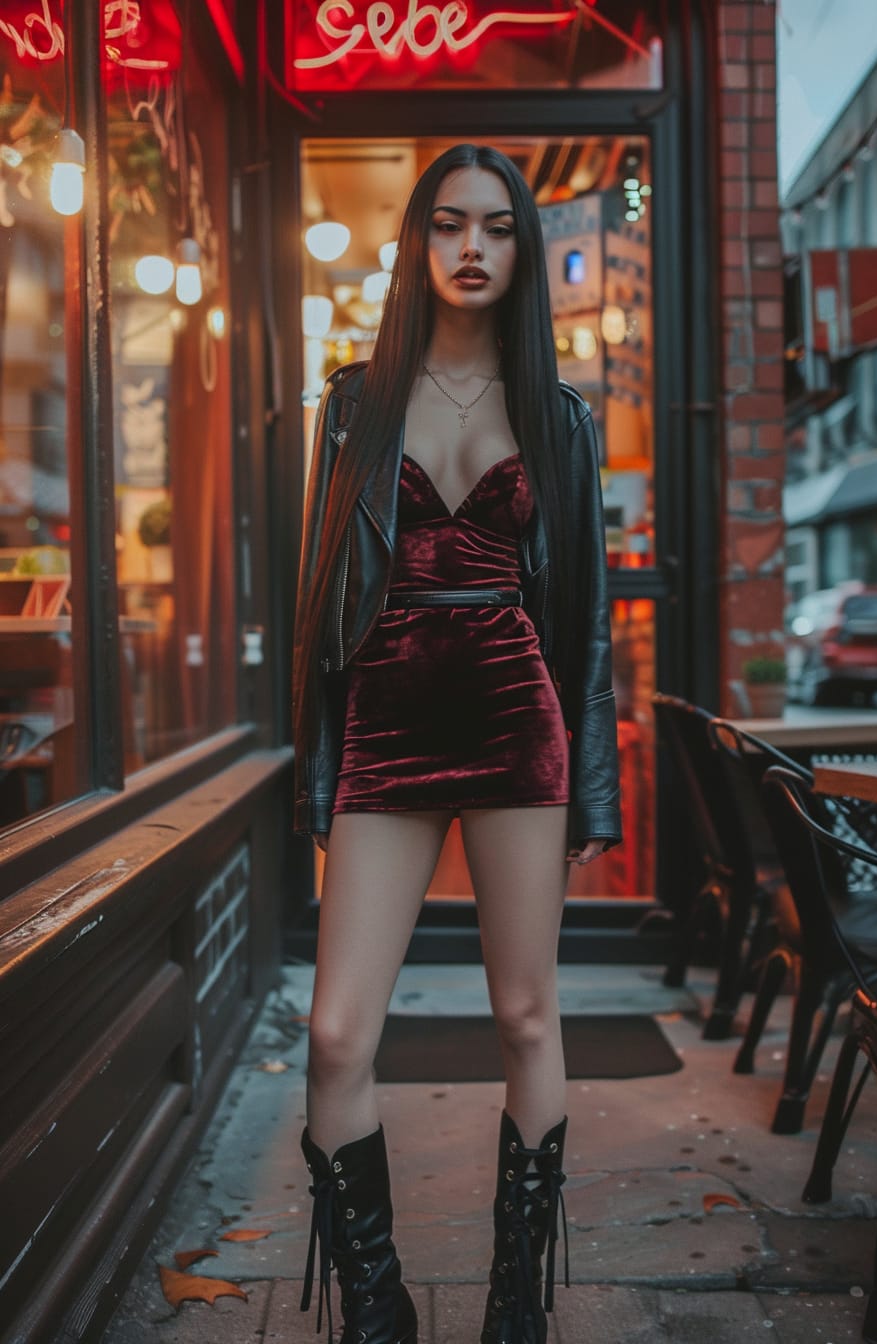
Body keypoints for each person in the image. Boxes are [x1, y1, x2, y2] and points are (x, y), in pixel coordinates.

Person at [291, 143, 621, 1344]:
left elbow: (580, 624)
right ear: (416, 244)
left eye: (493, 226)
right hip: (383, 715)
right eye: (446, 225)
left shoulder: (560, 415)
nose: (470, 247)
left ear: (522, 247)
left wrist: (592, 789)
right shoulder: (352, 405)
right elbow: (316, 608)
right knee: (335, 1033)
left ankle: (509, 1307)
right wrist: (317, 774)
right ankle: (377, 1307)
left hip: (509, 709)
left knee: (527, 1017)